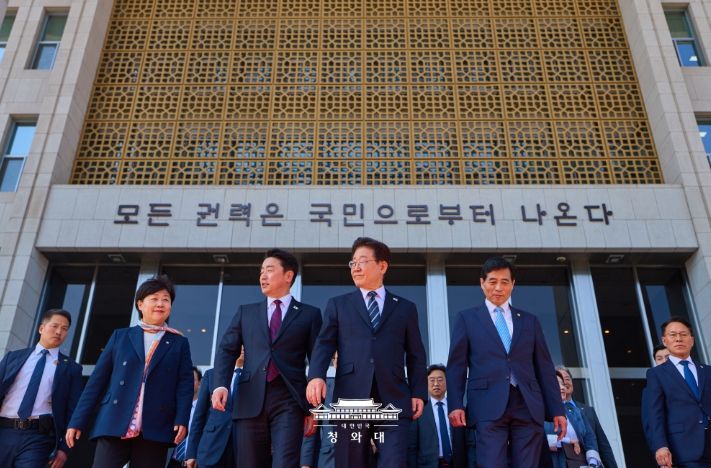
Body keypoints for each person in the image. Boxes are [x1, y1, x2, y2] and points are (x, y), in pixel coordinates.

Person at [307, 237, 428, 468]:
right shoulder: (338, 304)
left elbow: (416, 354)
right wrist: (316, 375)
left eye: (362, 261)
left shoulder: (405, 308)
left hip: (393, 397)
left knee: (394, 462)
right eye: (353, 263)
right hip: (351, 396)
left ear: (382, 266)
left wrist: (418, 393)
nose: (356, 267)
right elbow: (324, 344)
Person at [446, 256, 565, 468]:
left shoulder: (529, 320)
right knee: (491, 463)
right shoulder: (467, 318)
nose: (498, 288)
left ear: (513, 284)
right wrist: (455, 405)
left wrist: (557, 409)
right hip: (486, 403)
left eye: (505, 282)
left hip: (527, 403)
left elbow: (545, 368)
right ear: (482, 283)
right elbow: (457, 366)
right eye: (492, 281)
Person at [65, 275, 194, 468]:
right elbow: (96, 382)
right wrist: (77, 421)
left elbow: (184, 385)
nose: (160, 304)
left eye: (166, 300)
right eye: (154, 299)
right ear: (140, 304)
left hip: (155, 426)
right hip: (114, 420)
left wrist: (182, 419)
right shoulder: (121, 336)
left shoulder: (179, 342)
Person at [212, 249, 322, 468]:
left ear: (288, 275)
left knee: (286, 463)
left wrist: (314, 407)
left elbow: (317, 359)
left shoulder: (309, 314)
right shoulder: (246, 312)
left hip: (290, 398)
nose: (263, 275)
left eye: (269, 270)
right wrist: (220, 384)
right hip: (250, 397)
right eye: (261, 271)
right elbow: (227, 350)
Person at [0, 309, 83, 468]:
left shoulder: (71, 368)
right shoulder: (13, 358)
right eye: (55, 326)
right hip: (4, 430)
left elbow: (74, 411)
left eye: (64, 329)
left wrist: (64, 450)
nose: (59, 332)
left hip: (38, 437)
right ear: (41, 328)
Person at [643, 316, 711, 468]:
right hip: (684, 449)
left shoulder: (707, 371)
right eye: (673, 335)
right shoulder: (657, 374)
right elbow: (655, 414)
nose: (679, 339)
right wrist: (660, 446)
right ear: (665, 341)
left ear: (692, 340)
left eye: (683, 334)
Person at [186, 348, 244, 468]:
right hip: (210, 447)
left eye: (245, 345)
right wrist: (191, 453)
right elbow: (198, 416)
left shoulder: (257, 377)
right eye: (240, 345)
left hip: (242, 449)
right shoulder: (212, 375)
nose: (243, 348)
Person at [556, 365, 617, 468]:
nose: (564, 384)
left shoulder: (587, 410)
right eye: (560, 381)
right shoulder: (547, 411)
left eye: (567, 379)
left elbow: (603, 446)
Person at [408, 364, 467, 468]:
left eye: (440, 380)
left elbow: (468, 442)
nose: (436, 384)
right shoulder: (418, 411)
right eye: (432, 380)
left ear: (447, 382)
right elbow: (412, 447)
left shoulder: (458, 409)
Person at [544, 371, 601, 468]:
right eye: (557, 384)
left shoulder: (575, 411)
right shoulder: (540, 413)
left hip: (581, 464)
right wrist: (568, 441)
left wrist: (592, 463)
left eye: (563, 384)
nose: (563, 388)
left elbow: (589, 438)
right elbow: (538, 441)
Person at [300, 352, 337, 468]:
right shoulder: (323, 386)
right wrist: (305, 464)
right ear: (333, 361)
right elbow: (311, 428)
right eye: (336, 358)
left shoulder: (365, 386)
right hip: (329, 460)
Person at [167, 366, 203, 467]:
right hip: (172, 460)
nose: (188, 383)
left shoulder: (205, 411)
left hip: (193, 463)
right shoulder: (173, 407)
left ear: (200, 383)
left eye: (193, 379)